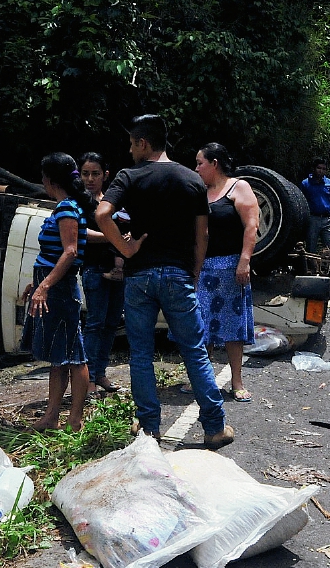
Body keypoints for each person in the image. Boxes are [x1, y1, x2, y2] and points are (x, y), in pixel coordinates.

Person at [97, 114, 234, 449]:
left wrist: (126, 248)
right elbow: (202, 235)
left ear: (143, 143)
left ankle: (149, 428)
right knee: (194, 352)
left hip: (139, 277)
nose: (130, 151)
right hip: (178, 275)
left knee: (141, 354)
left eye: (132, 144)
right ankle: (215, 427)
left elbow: (102, 214)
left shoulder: (129, 176)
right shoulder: (192, 180)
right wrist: (195, 273)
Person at [24, 153, 92, 431]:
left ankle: (74, 420)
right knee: (58, 357)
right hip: (54, 284)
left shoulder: (66, 208)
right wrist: (37, 282)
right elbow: (69, 244)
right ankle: (51, 417)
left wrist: (45, 285)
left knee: (74, 356)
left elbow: (70, 251)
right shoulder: (69, 207)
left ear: (50, 180)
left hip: (61, 289)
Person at [194, 143, 259, 402]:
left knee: (233, 328)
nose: (196, 168)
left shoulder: (238, 187)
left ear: (215, 163)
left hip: (230, 268)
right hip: (203, 268)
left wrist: (244, 260)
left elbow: (251, 225)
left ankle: (237, 381)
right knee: (201, 326)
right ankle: (201, 379)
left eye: (200, 163)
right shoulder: (200, 191)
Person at [79, 152, 126, 397]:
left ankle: (100, 373)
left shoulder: (112, 201)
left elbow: (127, 225)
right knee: (95, 324)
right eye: (85, 173)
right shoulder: (79, 202)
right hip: (94, 269)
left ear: (105, 175)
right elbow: (82, 233)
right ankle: (87, 380)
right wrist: (113, 237)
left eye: (95, 174)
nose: (90, 179)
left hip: (118, 270)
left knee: (111, 324)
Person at [301, 157, 330, 260]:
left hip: (327, 218)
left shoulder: (329, 183)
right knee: (311, 244)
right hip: (313, 218)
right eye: (319, 168)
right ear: (314, 168)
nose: (321, 171)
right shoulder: (306, 183)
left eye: (323, 169)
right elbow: (302, 202)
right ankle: (311, 266)